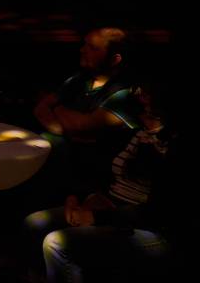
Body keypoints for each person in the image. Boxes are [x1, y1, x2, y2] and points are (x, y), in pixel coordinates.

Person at [23, 74, 180, 281]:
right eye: (140, 92)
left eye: (147, 96)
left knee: (56, 242)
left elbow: (158, 212)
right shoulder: (133, 132)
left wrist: (98, 217)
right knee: (35, 223)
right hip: (112, 206)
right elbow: (96, 169)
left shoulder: (173, 145)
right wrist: (79, 197)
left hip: (147, 226)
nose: (141, 97)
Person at [33, 27, 141, 196]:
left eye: (93, 48)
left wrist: (58, 109)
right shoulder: (78, 79)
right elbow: (41, 107)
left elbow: (83, 125)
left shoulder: (126, 92)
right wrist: (61, 129)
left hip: (96, 179)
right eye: (84, 44)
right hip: (66, 166)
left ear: (115, 59)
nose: (82, 50)